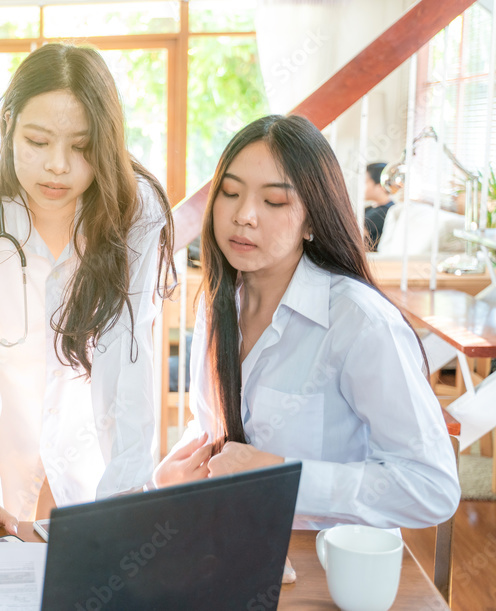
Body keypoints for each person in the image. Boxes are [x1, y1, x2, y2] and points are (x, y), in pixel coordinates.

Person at [152, 115, 460, 530]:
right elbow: (210, 428)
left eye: (273, 201)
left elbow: (431, 487)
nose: (244, 215)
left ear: (312, 220)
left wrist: (283, 478)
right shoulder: (217, 303)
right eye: (229, 193)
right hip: (230, 544)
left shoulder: (359, 323)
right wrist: (172, 481)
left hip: (321, 566)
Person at [0, 43, 176, 550]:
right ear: (8, 126)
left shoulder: (137, 212)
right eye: (38, 141)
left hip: (91, 435)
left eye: (82, 147)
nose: (58, 167)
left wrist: (128, 489)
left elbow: (127, 358)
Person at [364, 161, 393, 251]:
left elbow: (350, 238)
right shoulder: (368, 209)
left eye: (365, 182)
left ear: (381, 185)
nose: (361, 187)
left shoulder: (386, 211)